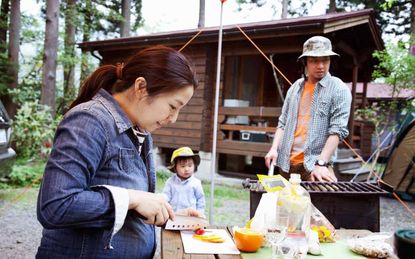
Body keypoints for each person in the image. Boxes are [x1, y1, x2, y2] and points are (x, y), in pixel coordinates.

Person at [36, 45, 199, 259]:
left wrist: (171, 214)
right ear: (141, 87)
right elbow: (55, 206)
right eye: (172, 106)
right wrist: (133, 198)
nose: (174, 118)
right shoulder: (90, 120)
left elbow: (128, 203)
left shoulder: (141, 130)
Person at [265, 36, 352, 182]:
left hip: (316, 166)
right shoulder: (295, 88)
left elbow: (338, 130)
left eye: (325, 60)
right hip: (285, 164)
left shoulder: (338, 89)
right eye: (314, 61)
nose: (320, 66)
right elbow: (282, 123)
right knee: (285, 204)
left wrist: (322, 163)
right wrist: (274, 149)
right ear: (305, 62)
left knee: (322, 203)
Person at [162, 146, 206, 217]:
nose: (186, 169)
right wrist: (162, 198)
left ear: (194, 166)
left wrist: (200, 213)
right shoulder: (170, 182)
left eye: (190, 165)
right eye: (183, 166)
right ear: (175, 167)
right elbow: (166, 195)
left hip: (191, 217)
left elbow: (200, 199)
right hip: (174, 215)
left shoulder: (196, 183)